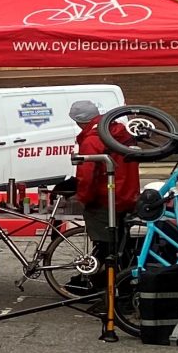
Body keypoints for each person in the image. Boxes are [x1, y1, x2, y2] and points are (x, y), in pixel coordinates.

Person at [70, 98, 138, 277]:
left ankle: (104, 280)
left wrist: (82, 199)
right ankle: (122, 278)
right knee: (119, 243)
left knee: (104, 243)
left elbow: (87, 175)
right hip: (126, 195)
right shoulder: (118, 131)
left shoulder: (92, 140)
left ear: (79, 121)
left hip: (106, 198)